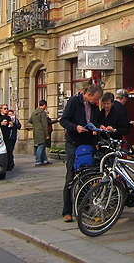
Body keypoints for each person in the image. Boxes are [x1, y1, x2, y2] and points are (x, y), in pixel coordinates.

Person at [59, 82, 103, 222]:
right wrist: (75, 127)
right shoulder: (74, 102)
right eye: (95, 99)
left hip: (88, 142)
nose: (96, 102)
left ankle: (85, 208)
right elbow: (63, 120)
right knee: (71, 176)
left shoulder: (94, 107)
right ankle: (67, 211)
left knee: (87, 176)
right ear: (88, 94)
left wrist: (97, 128)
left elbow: (95, 120)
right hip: (73, 142)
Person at [29, 99, 56, 166]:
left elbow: (30, 121)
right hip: (42, 131)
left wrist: (36, 123)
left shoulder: (34, 112)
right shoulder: (42, 113)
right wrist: (47, 134)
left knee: (42, 146)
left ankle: (45, 160)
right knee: (41, 146)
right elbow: (45, 124)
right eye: (46, 106)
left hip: (36, 131)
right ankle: (37, 161)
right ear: (44, 105)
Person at [0, 104, 21, 171]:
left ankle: (9, 165)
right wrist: (0, 124)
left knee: (9, 151)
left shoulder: (8, 118)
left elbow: (14, 126)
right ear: (1, 109)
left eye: (7, 108)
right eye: (4, 108)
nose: (6, 110)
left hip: (8, 136)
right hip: (0, 137)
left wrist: (11, 124)